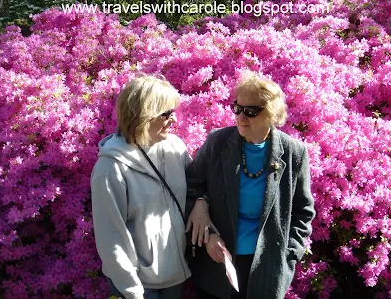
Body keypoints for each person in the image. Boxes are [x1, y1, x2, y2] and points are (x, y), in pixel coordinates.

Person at [186, 71, 316, 299]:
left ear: (272, 114)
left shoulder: (294, 152)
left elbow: (303, 211)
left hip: (267, 268)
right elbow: (191, 185)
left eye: (251, 111)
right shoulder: (217, 142)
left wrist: (289, 254)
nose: (241, 117)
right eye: (237, 108)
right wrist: (207, 230)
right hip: (217, 264)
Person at [91, 75, 210, 299]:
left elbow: (197, 184)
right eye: (166, 114)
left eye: (173, 112)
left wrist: (203, 202)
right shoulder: (110, 169)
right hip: (139, 284)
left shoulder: (174, 147)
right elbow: (111, 238)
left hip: (175, 273)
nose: (173, 120)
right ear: (143, 116)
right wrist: (132, 292)